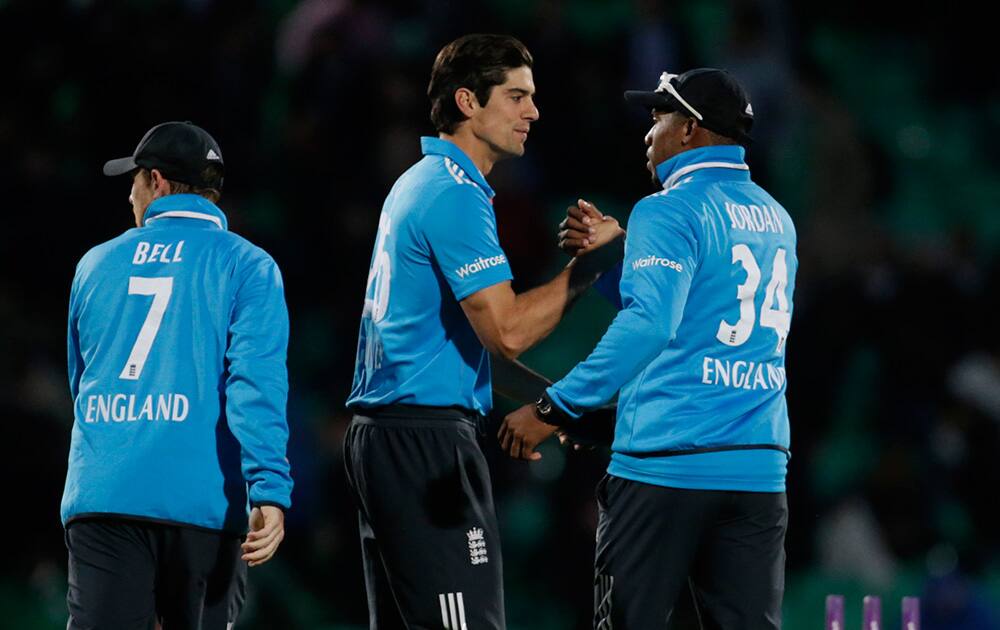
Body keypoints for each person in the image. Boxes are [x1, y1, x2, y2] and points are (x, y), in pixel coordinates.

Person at [501, 68, 797, 628]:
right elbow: (697, 318)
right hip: (757, 474)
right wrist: (621, 257)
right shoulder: (777, 219)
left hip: (666, 469)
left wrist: (554, 408)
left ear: (689, 130)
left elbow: (650, 324)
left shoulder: (666, 209)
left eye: (659, 115)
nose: (648, 130)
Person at [344, 34, 621, 630]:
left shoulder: (419, 183)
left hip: (391, 438)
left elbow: (466, 350)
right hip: (426, 447)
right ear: (468, 101)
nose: (533, 112)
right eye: (517, 96)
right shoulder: (453, 194)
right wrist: (592, 268)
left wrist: (556, 407)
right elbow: (508, 334)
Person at [62, 121, 293, 630]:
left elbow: (81, 382)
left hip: (107, 496)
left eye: (135, 179)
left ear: (158, 182)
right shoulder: (250, 266)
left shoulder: (94, 265)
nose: (129, 193)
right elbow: (255, 387)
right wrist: (270, 490)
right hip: (204, 503)